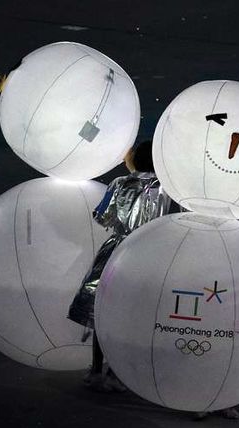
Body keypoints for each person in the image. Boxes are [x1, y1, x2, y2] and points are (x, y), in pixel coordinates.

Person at [68, 139, 170, 392]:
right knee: (134, 313)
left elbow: (103, 216)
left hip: (115, 251)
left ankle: (95, 370)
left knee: (102, 311)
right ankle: (117, 372)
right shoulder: (165, 187)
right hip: (148, 253)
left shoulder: (118, 183)